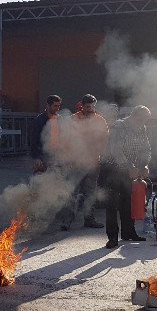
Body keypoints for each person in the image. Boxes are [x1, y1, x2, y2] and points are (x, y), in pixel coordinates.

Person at [100, 105, 152, 249]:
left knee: (129, 202)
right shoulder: (119, 127)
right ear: (134, 116)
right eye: (142, 120)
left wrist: (145, 165)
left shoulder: (142, 128)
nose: (144, 123)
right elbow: (116, 150)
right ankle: (112, 237)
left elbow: (146, 148)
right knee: (112, 205)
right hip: (112, 169)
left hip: (131, 169)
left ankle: (129, 232)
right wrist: (129, 167)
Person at [61, 94, 107, 230]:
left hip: (93, 162)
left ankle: (89, 219)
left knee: (90, 192)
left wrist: (101, 156)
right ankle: (67, 220)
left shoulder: (100, 120)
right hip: (76, 162)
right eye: (88, 107)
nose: (90, 109)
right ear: (82, 106)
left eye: (92, 106)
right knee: (72, 192)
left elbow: (105, 139)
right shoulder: (73, 119)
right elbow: (66, 140)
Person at [29, 95, 62, 173]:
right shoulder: (39, 120)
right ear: (48, 105)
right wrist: (36, 157)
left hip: (57, 156)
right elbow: (34, 140)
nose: (57, 108)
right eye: (55, 106)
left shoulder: (60, 119)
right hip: (43, 156)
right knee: (41, 181)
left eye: (59, 106)